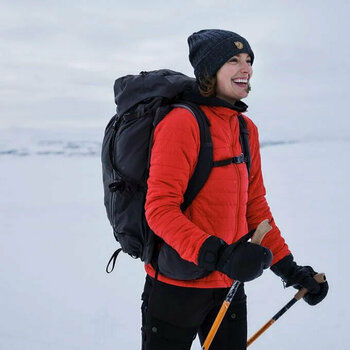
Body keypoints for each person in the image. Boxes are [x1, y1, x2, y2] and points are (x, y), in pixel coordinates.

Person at [141, 29, 328, 350]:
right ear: (209, 71)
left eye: (249, 60)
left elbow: (255, 208)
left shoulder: (245, 128)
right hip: (177, 286)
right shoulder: (181, 122)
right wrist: (221, 254)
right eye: (233, 60)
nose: (246, 68)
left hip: (228, 285)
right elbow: (159, 209)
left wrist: (290, 269)